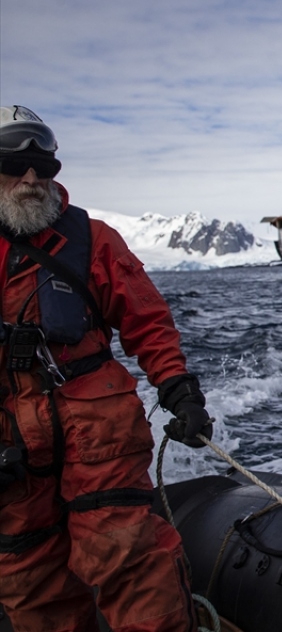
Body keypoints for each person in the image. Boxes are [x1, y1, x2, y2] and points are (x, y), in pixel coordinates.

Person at [0, 105, 211, 632]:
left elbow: (148, 321)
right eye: (14, 163)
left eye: (44, 168)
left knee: (128, 552)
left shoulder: (94, 241)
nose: (31, 178)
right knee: (29, 576)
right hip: (8, 436)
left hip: (97, 424)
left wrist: (178, 388)